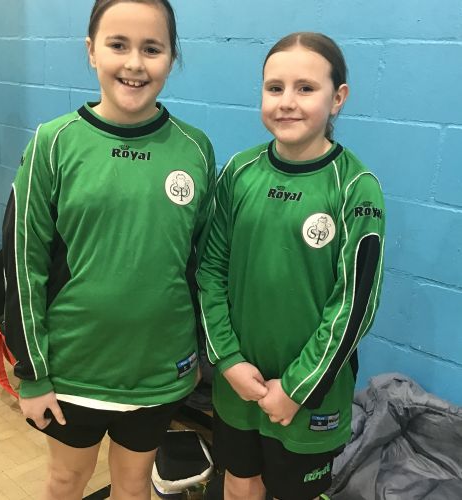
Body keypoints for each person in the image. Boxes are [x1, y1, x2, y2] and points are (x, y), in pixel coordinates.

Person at [1, 1, 215, 498]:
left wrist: (200, 356)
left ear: (172, 57)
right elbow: (23, 265)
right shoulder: (54, 143)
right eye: (118, 45)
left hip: (159, 370)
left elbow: (204, 267)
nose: (134, 63)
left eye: (152, 49)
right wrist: (32, 373)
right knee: (65, 480)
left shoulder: (195, 149)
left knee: (134, 485)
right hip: (73, 369)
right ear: (92, 51)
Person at [197, 32, 385, 500]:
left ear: (337, 98)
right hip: (239, 383)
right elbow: (209, 271)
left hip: (308, 396)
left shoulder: (355, 188)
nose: (286, 102)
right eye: (274, 87)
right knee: (239, 484)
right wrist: (228, 360)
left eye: (305, 88)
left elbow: (354, 307)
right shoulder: (239, 173)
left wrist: (298, 388)